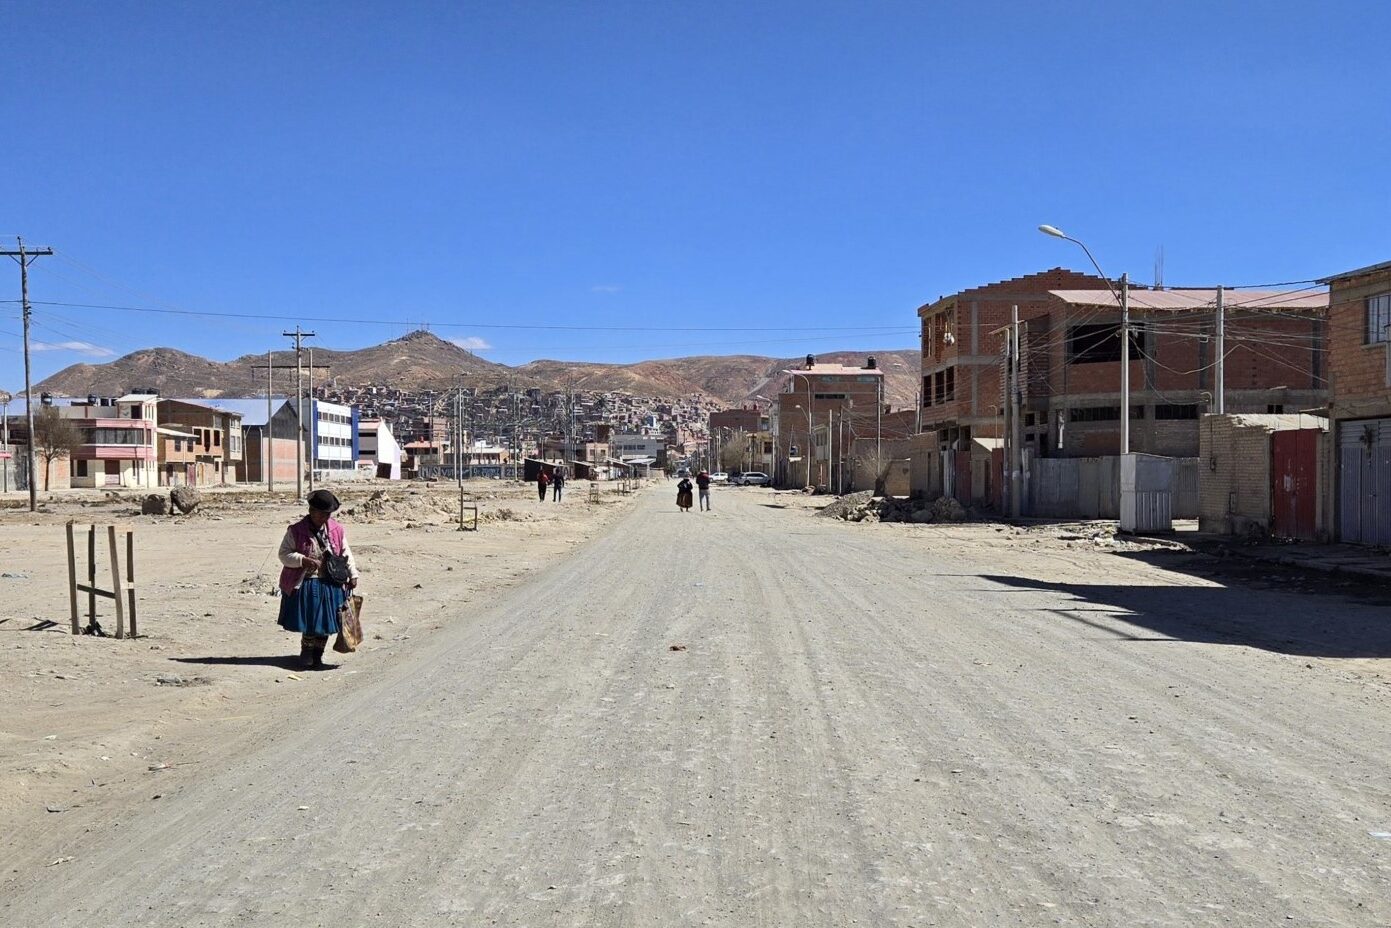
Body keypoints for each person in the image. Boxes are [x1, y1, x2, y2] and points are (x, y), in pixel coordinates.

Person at [277, 489, 359, 670]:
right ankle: (306, 652)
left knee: (327, 622)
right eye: (322, 513)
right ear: (311, 511)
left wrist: (353, 574)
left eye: (328, 514)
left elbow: (345, 553)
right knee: (312, 621)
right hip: (307, 583)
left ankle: (318, 654)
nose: (325, 517)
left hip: (331, 583)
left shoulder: (336, 529)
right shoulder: (296, 531)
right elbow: (284, 554)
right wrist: (302, 560)